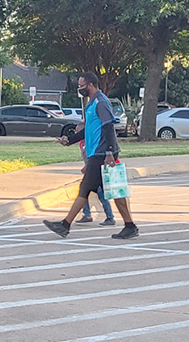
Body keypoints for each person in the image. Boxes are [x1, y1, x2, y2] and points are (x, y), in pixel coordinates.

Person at [44, 72, 138, 239]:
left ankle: (65, 225)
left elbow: (108, 127)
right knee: (115, 190)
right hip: (97, 152)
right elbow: (88, 130)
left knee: (85, 188)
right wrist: (69, 140)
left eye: (82, 86)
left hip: (102, 154)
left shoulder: (101, 103)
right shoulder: (91, 104)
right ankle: (130, 225)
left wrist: (109, 152)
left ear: (91, 85)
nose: (80, 89)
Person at [74, 124, 116, 225]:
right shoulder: (82, 144)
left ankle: (110, 217)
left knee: (100, 194)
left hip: (96, 171)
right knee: (83, 191)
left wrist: (87, 167)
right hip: (90, 171)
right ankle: (87, 214)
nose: (77, 133)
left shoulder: (92, 143)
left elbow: (94, 158)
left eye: (79, 131)